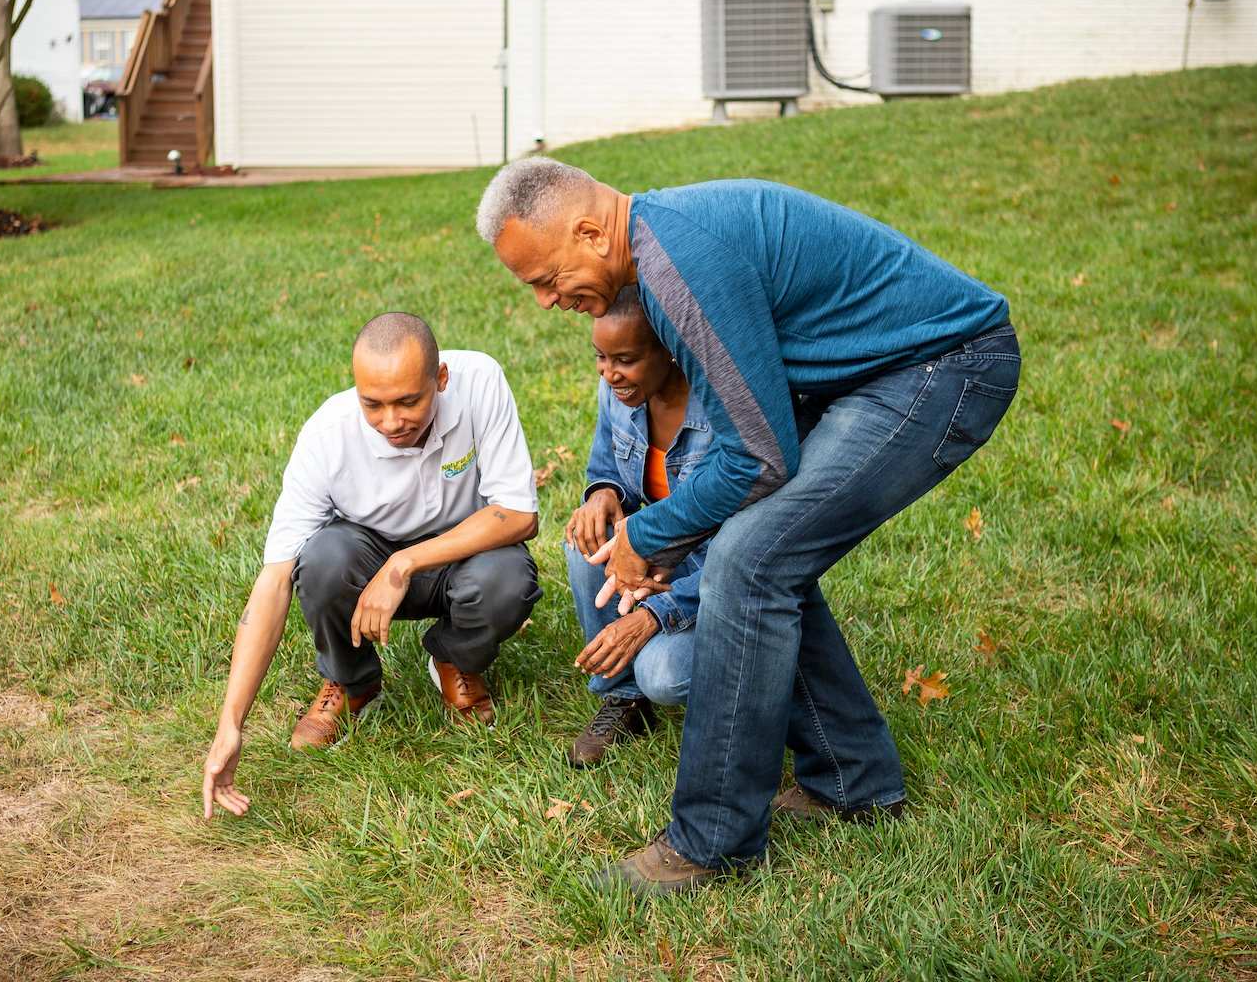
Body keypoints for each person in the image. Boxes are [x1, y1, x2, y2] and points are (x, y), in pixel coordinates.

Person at [476, 160, 1019, 895]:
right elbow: (755, 448)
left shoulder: (680, 266)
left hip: (941, 368)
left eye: (544, 278)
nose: (544, 301)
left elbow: (758, 459)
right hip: (879, 375)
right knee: (769, 556)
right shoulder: (659, 248)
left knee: (751, 562)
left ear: (589, 231)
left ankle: (712, 841)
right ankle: (851, 780)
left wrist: (649, 534)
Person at [202, 312, 542, 819]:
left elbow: (519, 515)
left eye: (409, 401)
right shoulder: (327, 437)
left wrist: (404, 564)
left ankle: (453, 658)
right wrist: (231, 722)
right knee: (320, 560)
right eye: (373, 404)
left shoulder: (481, 382)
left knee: (508, 579)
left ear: (441, 380)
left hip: (461, 556)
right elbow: (273, 583)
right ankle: (353, 682)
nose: (391, 421)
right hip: (365, 562)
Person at [564, 285, 711, 768]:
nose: (609, 374)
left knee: (663, 675)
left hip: (715, 572)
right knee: (585, 541)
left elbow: (742, 554)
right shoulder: (620, 392)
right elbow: (605, 467)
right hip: (654, 552)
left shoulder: (717, 412)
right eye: (600, 358)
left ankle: (756, 676)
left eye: (623, 359)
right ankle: (622, 697)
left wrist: (658, 611)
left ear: (670, 348)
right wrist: (602, 495)